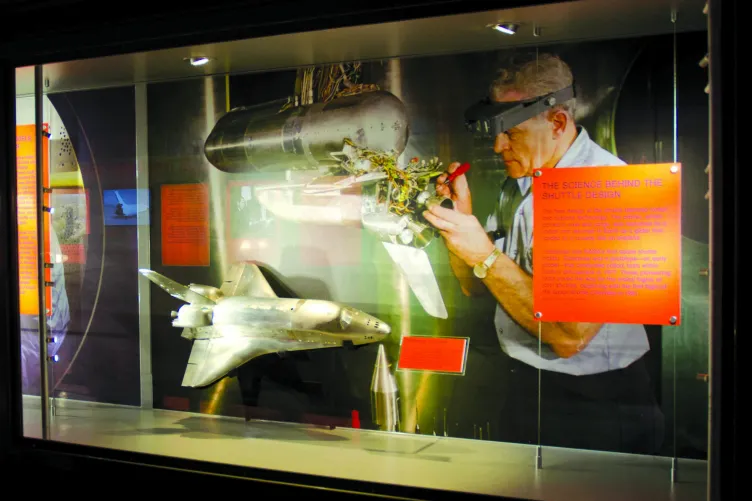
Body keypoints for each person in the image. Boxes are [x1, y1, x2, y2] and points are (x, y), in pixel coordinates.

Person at [423, 52, 664, 453]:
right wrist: (459, 221)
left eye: (511, 132)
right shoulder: (517, 185)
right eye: (496, 131)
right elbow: (475, 287)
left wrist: (484, 255)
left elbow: (568, 336)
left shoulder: (603, 188)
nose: (498, 145)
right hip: (522, 385)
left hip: (593, 405)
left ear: (557, 122)